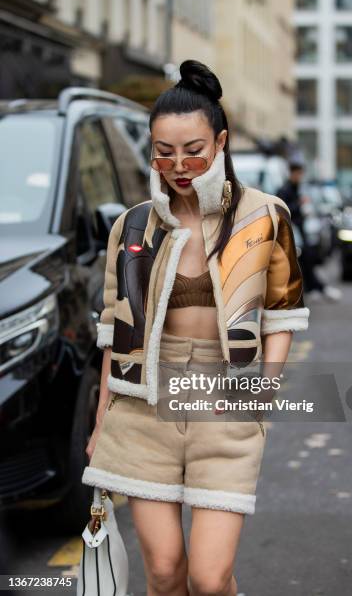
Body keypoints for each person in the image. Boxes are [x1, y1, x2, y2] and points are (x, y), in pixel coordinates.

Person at [82, 60, 310, 596]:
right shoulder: (133, 224)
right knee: (163, 573)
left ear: (221, 141)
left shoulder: (265, 216)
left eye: (193, 150)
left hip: (224, 401)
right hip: (142, 408)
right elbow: (115, 331)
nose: (178, 165)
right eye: (164, 151)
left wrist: (262, 390)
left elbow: (281, 314)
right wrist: (100, 423)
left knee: (209, 579)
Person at [277, 161, 342, 302]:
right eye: (298, 173)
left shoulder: (296, 188)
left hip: (299, 231)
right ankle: (313, 288)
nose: (299, 176)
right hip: (291, 232)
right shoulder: (285, 190)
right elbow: (283, 210)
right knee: (302, 261)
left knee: (306, 260)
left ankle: (314, 288)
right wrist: (299, 205)